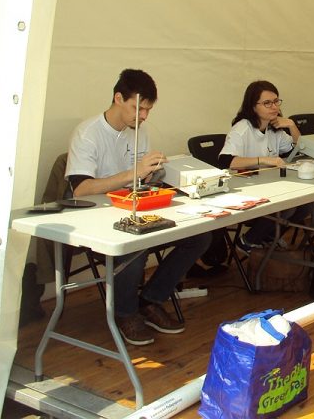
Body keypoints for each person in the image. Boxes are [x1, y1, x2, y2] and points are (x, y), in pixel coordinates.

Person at [66, 69, 211, 346]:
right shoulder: (88, 133)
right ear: (118, 98)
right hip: (96, 214)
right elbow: (81, 189)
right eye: (138, 108)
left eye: (147, 110)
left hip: (131, 207)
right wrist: (134, 173)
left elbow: (139, 180)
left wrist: (154, 172)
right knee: (136, 243)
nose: (143, 116)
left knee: (200, 236)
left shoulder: (138, 131)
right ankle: (124, 312)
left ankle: (150, 299)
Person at [218, 80, 302, 248]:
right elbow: (226, 161)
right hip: (246, 188)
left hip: (271, 184)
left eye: (276, 101)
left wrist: (291, 125)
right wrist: (263, 160)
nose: (274, 107)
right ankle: (248, 241)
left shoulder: (274, 127)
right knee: (288, 207)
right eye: (267, 103)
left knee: (305, 205)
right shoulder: (242, 128)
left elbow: (298, 148)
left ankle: (268, 238)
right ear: (253, 107)